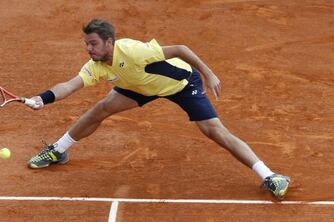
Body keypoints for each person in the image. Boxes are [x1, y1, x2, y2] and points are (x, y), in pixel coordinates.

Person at [27, 19, 290, 200]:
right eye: (86, 43)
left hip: (181, 83)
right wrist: (42, 99)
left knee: (214, 131)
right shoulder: (96, 65)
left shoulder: (133, 52)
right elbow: (70, 86)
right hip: (139, 86)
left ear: (109, 42)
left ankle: (270, 175)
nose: (89, 48)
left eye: (93, 43)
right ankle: (58, 151)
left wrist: (207, 74)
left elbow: (180, 49)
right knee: (101, 108)